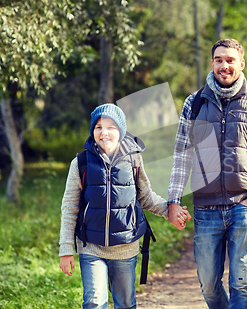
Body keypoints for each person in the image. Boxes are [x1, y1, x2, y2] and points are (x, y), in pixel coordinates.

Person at [167, 38, 247, 309]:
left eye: (230, 60)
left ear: (241, 64)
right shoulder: (194, 103)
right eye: (219, 60)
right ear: (212, 63)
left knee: (241, 283)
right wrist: (173, 201)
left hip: (243, 206)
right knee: (208, 283)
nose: (224, 65)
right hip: (206, 210)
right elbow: (182, 156)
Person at [58, 103, 191, 309]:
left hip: (125, 247)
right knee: (94, 302)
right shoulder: (81, 163)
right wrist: (66, 249)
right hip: (91, 246)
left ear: (121, 130)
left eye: (111, 127)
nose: (104, 133)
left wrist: (168, 211)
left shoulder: (134, 159)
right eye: (98, 127)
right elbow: (70, 207)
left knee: (126, 304)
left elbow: (145, 197)